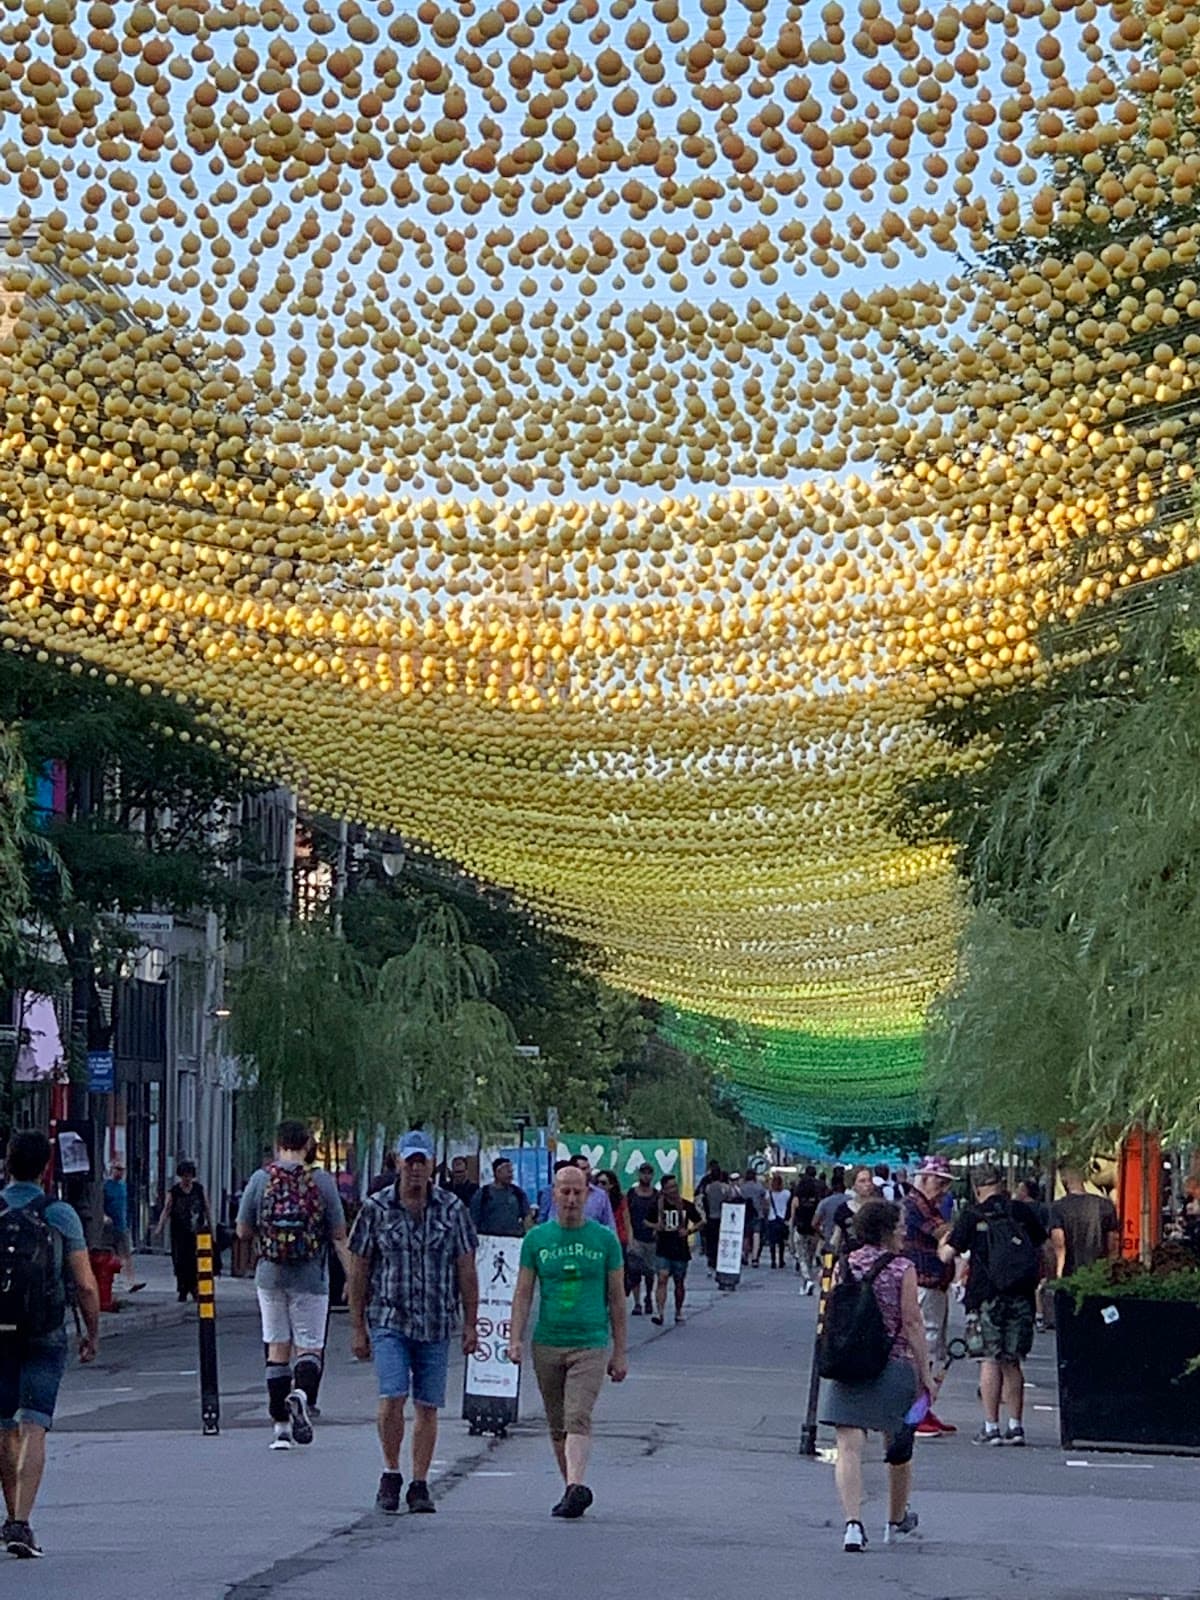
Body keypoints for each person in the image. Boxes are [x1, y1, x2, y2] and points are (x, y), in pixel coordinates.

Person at [348, 1130, 479, 1515]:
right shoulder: (376, 1208)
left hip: (436, 1320)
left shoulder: (452, 1209)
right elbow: (359, 1268)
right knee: (392, 1395)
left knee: (428, 1404)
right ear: (398, 1163)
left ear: (432, 1165)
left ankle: (419, 1482)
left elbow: (466, 1268)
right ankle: (391, 1472)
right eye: (411, 1162)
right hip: (391, 1316)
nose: (417, 1169)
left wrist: (472, 1322)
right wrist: (358, 1325)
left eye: (423, 1161)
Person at [0, 1130, 100, 1559]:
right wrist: (91, 1333)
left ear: (7, 1162)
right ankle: (21, 1522)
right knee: (34, 1424)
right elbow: (84, 1284)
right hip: (44, 1331)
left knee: (4, 1426)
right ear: (45, 1168)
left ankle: (9, 1515)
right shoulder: (59, 1214)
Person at [508, 1164, 627, 1519]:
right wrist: (514, 1338)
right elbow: (524, 1293)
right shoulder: (537, 1240)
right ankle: (570, 1488)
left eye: (578, 1192)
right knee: (558, 1422)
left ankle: (576, 1485)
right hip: (547, 1341)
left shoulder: (604, 1240)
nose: (572, 1199)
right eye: (565, 1192)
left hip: (589, 1341)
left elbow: (618, 1299)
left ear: (588, 1194)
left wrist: (619, 1351)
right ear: (554, 1195)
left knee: (578, 1415)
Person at [819, 1199, 933, 1553]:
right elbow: (912, 1322)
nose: (904, 1230)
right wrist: (925, 1374)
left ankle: (853, 1524)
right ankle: (895, 1520)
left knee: (848, 1446)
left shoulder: (845, 1264)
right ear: (887, 1230)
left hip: (850, 1363)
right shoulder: (903, 1268)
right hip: (893, 1364)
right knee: (897, 1445)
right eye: (899, 1225)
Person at [236, 1119, 350, 1451]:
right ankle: (301, 1395)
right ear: (307, 1145)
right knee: (310, 1346)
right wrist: (354, 1279)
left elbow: (242, 1231)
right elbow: (339, 1234)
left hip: (270, 1275)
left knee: (277, 1347)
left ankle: (280, 1429)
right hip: (311, 1277)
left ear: (277, 1143)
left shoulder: (260, 1180)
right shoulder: (322, 1182)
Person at [939, 1163, 1047, 1446]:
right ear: (1000, 1183)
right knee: (1012, 1361)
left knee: (989, 1359)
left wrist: (943, 1242)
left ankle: (991, 1426)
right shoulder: (1022, 1211)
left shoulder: (973, 1214)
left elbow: (947, 1255)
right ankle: (1016, 1425)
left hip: (986, 1295)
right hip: (1021, 1295)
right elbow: (1040, 1244)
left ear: (977, 1188)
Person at [901, 1155, 957, 1438]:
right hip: (924, 1282)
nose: (943, 1188)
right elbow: (942, 1233)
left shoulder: (927, 1205)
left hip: (934, 1282)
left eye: (946, 1182)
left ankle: (924, 1407)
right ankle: (916, 1411)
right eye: (939, 1181)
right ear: (923, 1178)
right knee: (926, 1345)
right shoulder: (916, 1206)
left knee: (936, 1348)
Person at [153, 1159, 212, 1301]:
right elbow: (167, 1209)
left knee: (194, 1261)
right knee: (180, 1261)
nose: (187, 1178)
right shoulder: (174, 1191)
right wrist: (160, 1226)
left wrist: (211, 1227)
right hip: (179, 1232)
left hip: (196, 1232)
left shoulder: (198, 1189)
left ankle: (193, 1287)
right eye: (185, 1175)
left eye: (190, 1175)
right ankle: (182, 1288)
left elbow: (206, 1208)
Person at [649, 1173, 702, 1325]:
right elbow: (646, 1221)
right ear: (664, 1190)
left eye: (674, 1186)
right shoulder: (657, 1205)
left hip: (680, 1249)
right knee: (662, 1278)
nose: (673, 1190)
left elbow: (700, 1222)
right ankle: (659, 1312)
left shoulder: (686, 1205)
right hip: (663, 1247)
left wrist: (689, 1231)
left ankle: (678, 1310)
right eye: (669, 1187)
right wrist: (656, 1227)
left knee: (679, 1282)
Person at [1049, 1168, 1120, 1279]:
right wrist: (1109, 1269)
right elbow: (1113, 1244)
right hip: (1099, 1272)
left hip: (1071, 1272)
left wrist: (1058, 1274)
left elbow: (1059, 1243)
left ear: (1065, 1181)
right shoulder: (1106, 1205)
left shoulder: (1058, 1208)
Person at [102, 1160, 144, 1294]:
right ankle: (112, 1281)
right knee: (109, 1255)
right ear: (112, 1169)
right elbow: (99, 1204)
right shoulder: (106, 1186)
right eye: (118, 1169)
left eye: (122, 1170)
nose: (120, 1172)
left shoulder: (123, 1186)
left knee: (126, 1254)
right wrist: (103, 1216)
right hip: (109, 1226)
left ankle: (130, 1282)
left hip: (122, 1225)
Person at [543, 1156, 616, 1229]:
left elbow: (609, 1224)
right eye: (584, 1169)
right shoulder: (563, 1194)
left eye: (588, 1168)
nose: (588, 1172)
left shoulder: (600, 1195)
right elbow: (553, 1220)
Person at [624, 1163, 658, 1316]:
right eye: (643, 1173)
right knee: (634, 1271)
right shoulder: (632, 1194)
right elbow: (627, 1216)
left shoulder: (656, 1195)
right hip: (636, 1237)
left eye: (649, 1173)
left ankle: (648, 1296)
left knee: (650, 1272)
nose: (646, 1176)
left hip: (652, 1239)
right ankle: (637, 1302)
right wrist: (629, 1236)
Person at [469, 1157, 532, 1237]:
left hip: (513, 1239)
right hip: (489, 1240)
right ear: (497, 1172)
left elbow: (527, 1218)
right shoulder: (483, 1193)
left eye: (511, 1171)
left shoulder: (518, 1193)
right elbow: (473, 1221)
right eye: (507, 1171)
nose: (510, 1174)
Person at [790, 1165, 823, 1292]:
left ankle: (807, 1279)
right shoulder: (818, 1189)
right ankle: (808, 1279)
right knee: (810, 1254)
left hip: (800, 1226)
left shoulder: (799, 1190)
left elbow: (794, 1208)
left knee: (801, 1255)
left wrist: (792, 1223)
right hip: (813, 1228)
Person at [831, 1167, 877, 1252]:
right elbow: (837, 1236)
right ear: (853, 1185)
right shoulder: (843, 1209)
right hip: (850, 1257)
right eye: (862, 1181)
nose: (867, 1184)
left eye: (869, 1180)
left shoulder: (880, 1208)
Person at [700, 1165, 729, 1274]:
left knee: (711, 1242)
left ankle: (710, 1262)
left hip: (710, 1218)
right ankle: (720, 1262)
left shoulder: (708, 1188)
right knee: (721, 1242)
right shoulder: (725, 1188)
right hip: (723, 1219)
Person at [739, 1167, 769, 1266]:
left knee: (746, 1236)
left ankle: (745, 1255)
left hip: (745, 1214)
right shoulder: (759, 1187)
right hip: (757, 1213)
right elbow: (764, 1199)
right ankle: (755, 1258)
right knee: (756, 1235)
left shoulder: (742, 1187)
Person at [814, 1168, 848, 1248]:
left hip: (828, 1240)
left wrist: (821, 1235)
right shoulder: (851, 1201)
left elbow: (814, 1223)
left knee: (827, 1260)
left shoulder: (824, 1202)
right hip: (846, 1243)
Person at [765, 1173, 791, 1268]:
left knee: (772, 1241)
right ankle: (781, 1260)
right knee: (781, 1242)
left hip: (772, 1218)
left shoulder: (769, 1193)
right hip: (782, 1219)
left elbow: (766, 1205)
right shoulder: (786, 1193)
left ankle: (773, 1261)